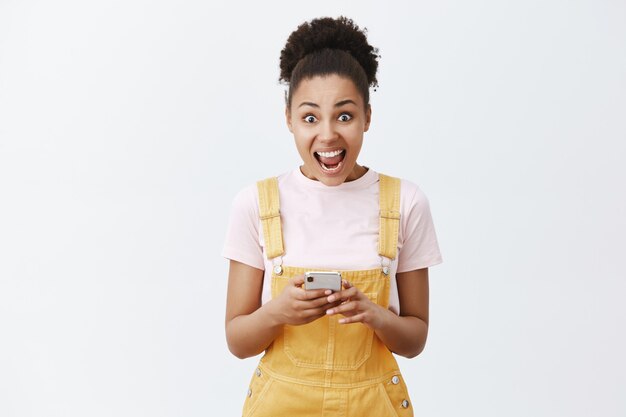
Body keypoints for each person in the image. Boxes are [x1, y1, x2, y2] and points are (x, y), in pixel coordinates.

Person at [222, 16, 442, 417]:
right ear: (288, 118)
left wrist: (376, 316)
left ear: (367, 117)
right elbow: (237, 340)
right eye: (310, 117)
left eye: (344, 115)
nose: (327, 135)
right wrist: (278, 313)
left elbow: (415, 340)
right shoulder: (255, 203)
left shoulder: (406, 202)